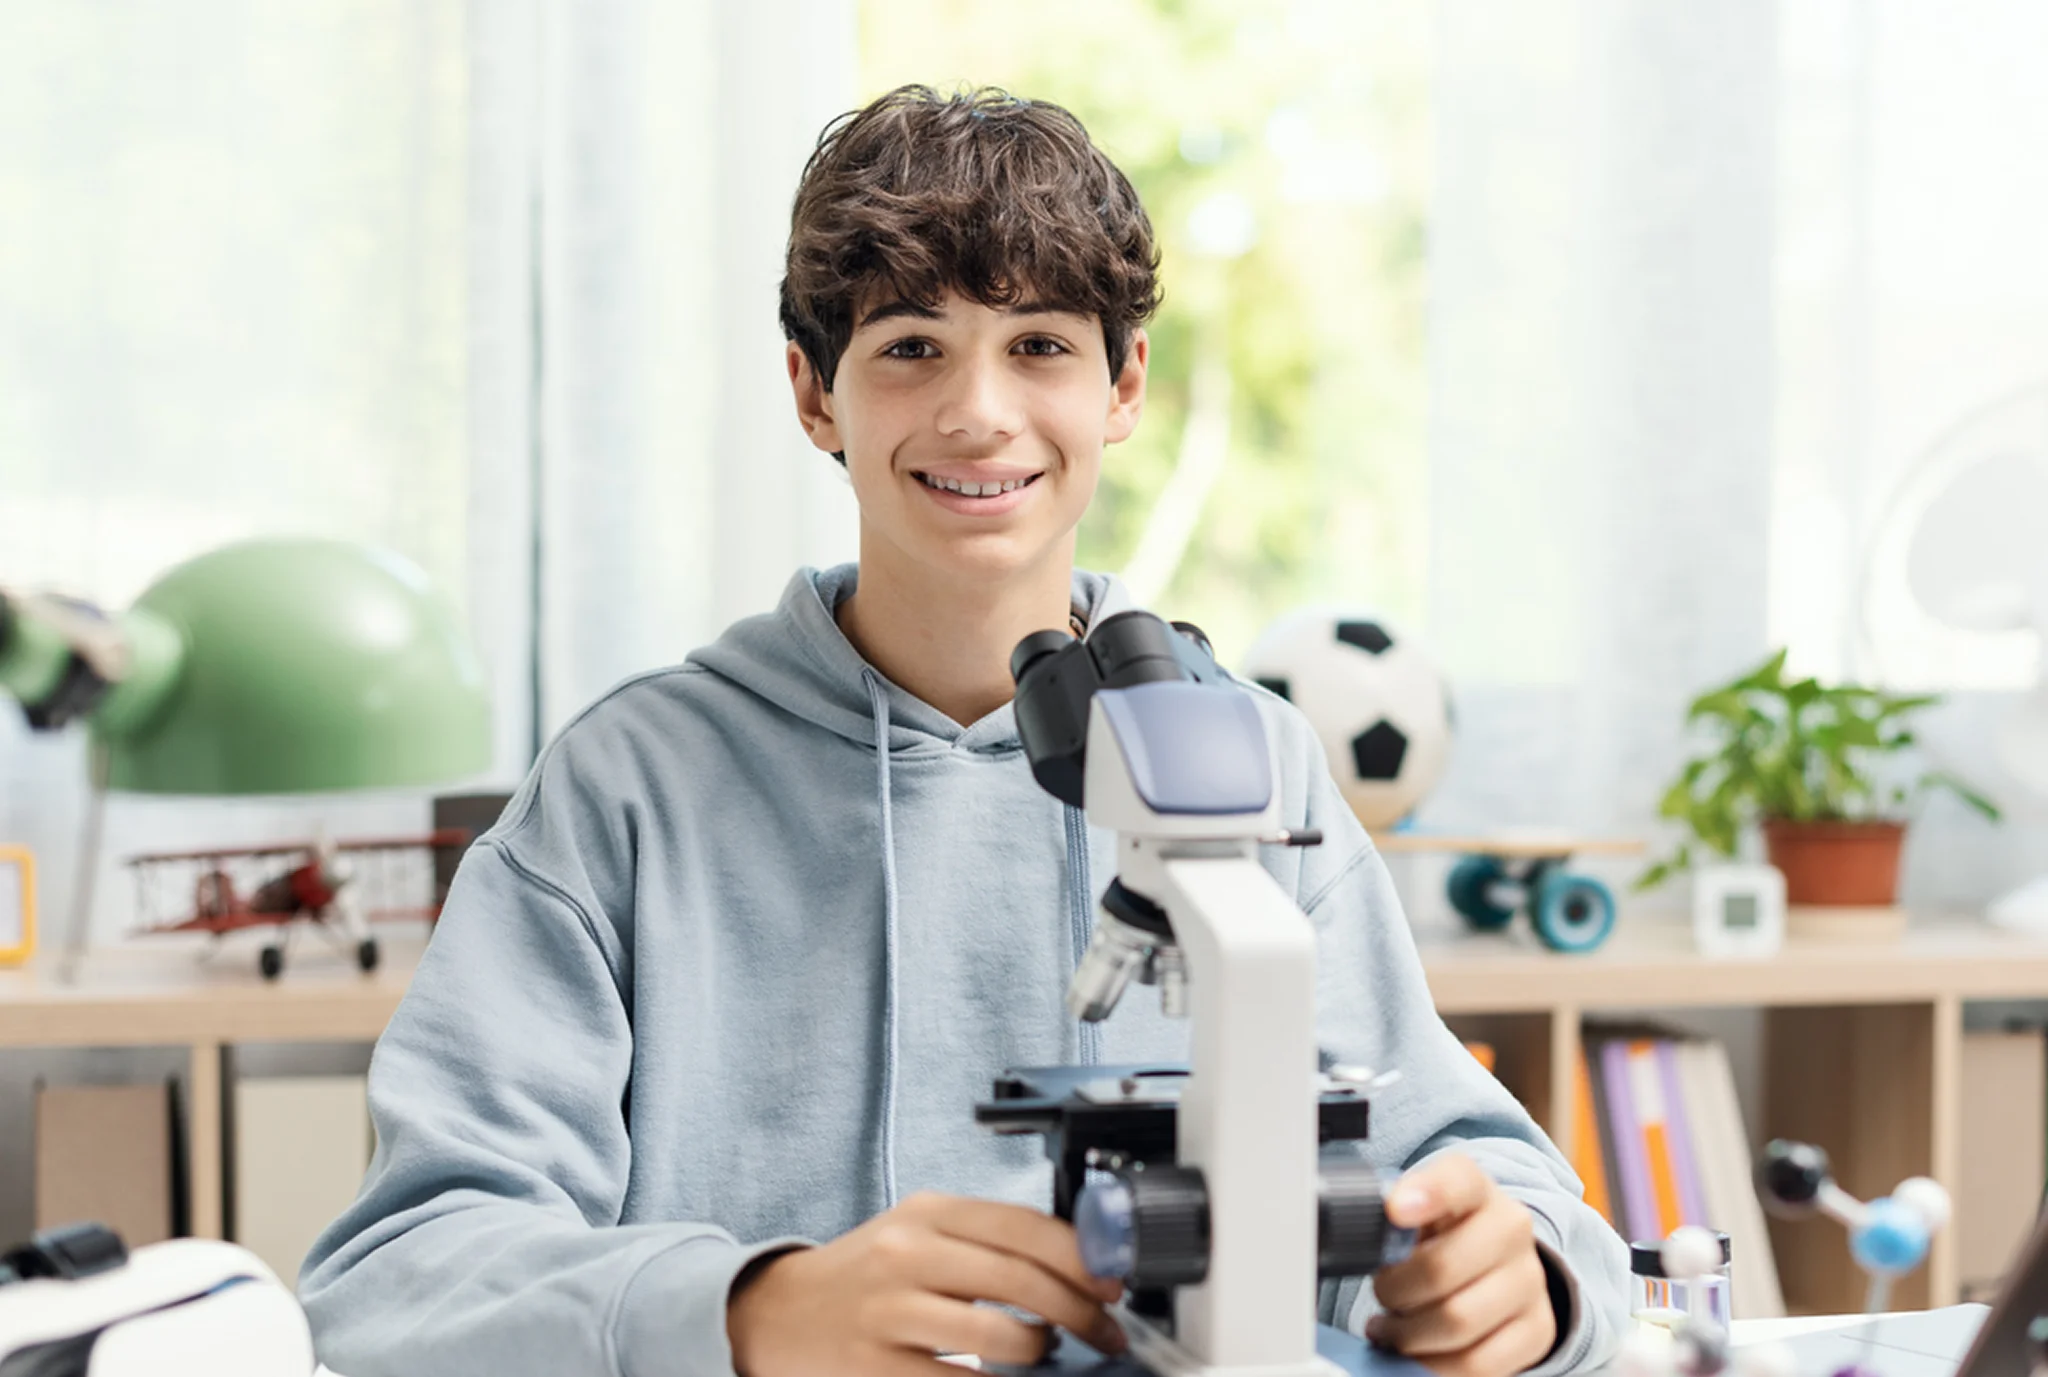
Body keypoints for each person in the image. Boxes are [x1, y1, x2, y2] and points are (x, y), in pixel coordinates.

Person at [300, 84, 1629, 1377]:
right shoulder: (625, 793)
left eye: (1041, 344)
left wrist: (1528, 1281)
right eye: (911, 348)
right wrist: (749, 1314)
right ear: (816, 395)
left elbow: (1482, 1173)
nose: (979, 412)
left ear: (1123, 384)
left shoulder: (1245, 765)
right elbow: (395, 1282)